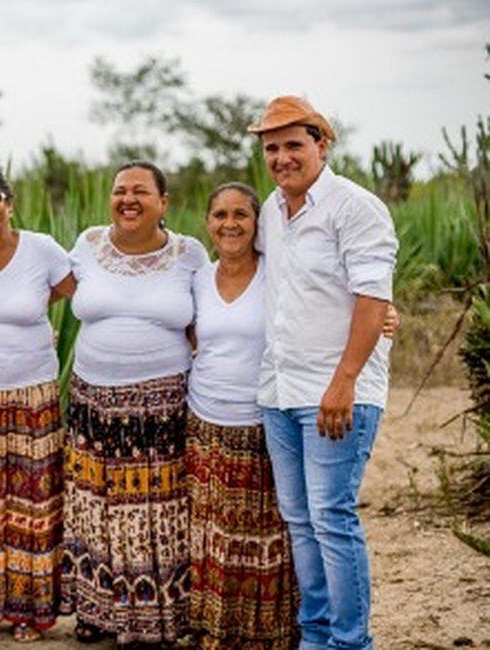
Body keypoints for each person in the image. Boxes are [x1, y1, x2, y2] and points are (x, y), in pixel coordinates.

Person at [249, 96, 398, 650]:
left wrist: (344, 381)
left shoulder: (354, 207)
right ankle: (315, 635)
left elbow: (371, 294)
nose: (283, 157)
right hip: (279, 389)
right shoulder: (271, 210)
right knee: (300, 519)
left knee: (332, 517)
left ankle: (351, 642)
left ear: (321, 145)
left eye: (294, 144)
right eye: (272, 148)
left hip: (336, 391)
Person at [61, 161, 207, 647]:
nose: (128, 199)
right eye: (120, 190)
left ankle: (157, 618)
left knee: (155, 512)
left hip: (160, 406)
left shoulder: (190, 255)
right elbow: (33, 288)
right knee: (93, 508)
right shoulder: (87, 245)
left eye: (140, 191)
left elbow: (226, 304)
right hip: (91, 401)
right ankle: (96, 611)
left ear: (163, 202)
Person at [0, 163, 75, 643]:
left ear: (9, 200)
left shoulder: (43, 250)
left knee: (33, 504)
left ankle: (30, 611)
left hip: (34, 394)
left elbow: (81, 296)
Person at [184, 183, 298, 649]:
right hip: (205, 422)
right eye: (219, 215)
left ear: (257, 223)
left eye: (240, 216)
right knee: (213, 533)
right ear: (208, 222)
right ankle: (216, 629)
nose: (229, 224)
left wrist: (386, 314)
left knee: (265, 531)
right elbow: (194, 338)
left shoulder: (278, 273)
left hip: (264, 421)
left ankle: (266, 634)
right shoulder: (197, 278)